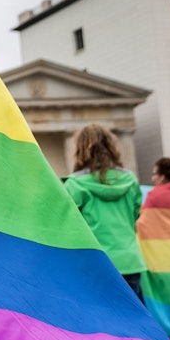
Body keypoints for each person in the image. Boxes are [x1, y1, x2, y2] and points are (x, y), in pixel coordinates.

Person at [64, 123, 146, 300]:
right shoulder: (130, 180)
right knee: (132, 322)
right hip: (129, 262)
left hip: (94, 264)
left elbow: (70, 226)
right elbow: (134, 217)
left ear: (80, 149)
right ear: (111, 147)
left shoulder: (75, 184)